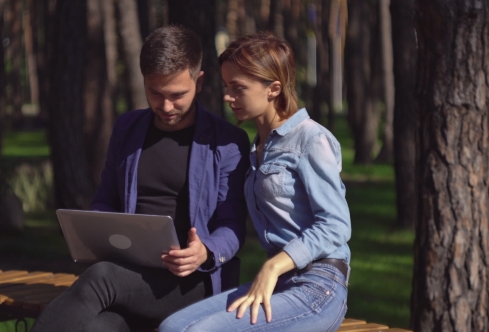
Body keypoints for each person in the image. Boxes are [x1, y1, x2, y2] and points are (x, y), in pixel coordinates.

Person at [30, 26, 250, 332]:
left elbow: (234, 224)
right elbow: (105, 200)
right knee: (99, 328)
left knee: (101, 277)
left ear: (198, 83)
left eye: (177, 95)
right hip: (131, 277)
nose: (165, 106)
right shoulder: (128, 128)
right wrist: (97, 229)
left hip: (193, 283)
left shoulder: (226, 142)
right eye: (155, 93)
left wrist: (205, 251)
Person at [159, 33, 351, 332]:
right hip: (279, 285)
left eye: (238, 88)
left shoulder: (310, 139)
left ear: (273, 88)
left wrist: (274, 265)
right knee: (172, 326)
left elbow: (336, 225)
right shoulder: (256, 147)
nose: (227, 96)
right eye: (226, 86)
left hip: (318, 286)